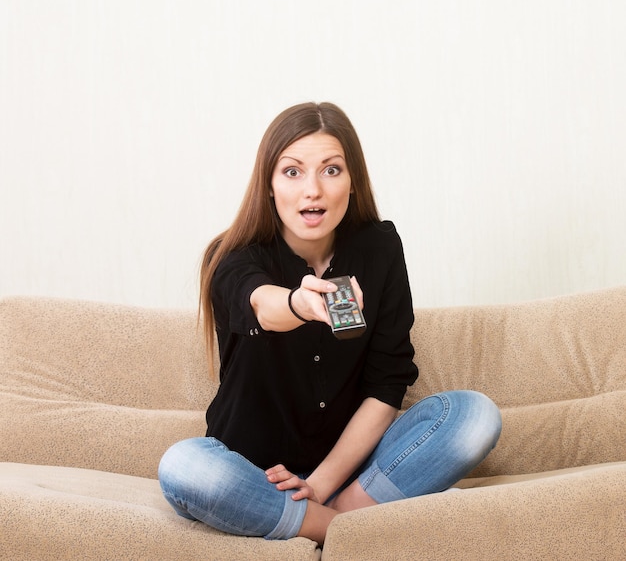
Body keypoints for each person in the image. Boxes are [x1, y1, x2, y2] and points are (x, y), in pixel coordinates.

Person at [158, 102, 502, 545]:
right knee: (183, 466)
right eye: (293, 172)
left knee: (474, 415)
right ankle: (347, 532)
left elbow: (387, 383)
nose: (313, 191)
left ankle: (323, 518)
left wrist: (318, 487)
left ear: (352, 181)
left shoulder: (379, 249)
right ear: (269, 185)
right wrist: (301, 304)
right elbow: (262, 305)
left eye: (332, 170)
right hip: (253, 479)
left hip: (354, 478)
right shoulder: (233, 256)